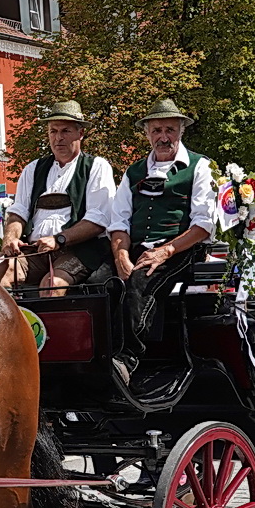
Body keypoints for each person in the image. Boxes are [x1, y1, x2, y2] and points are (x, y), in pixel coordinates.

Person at [105, 99, 217, 387]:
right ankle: (95, 356)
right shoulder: (133, 172)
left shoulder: (200, 166)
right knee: (97, 281)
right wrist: (121, 257)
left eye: (170, 129)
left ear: (180, 132)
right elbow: (118, 222)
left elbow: (203, 224)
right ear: (147, 134)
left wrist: (166, 251)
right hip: (138, 246)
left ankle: (127, 358)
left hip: (181, 247)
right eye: (156, 130)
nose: (163, 137)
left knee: (142, 278)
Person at [0, 100, 116, 295]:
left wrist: (59, 239)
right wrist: (11, 239)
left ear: (81, 133)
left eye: (65, 131)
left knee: (53, 284)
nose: (58, 138)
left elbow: (99, 220)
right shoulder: (33, 169)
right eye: (53, 131)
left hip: (79, 250)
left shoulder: (96, 167)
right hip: (34, 250)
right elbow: (18, 213)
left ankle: (48, 326)